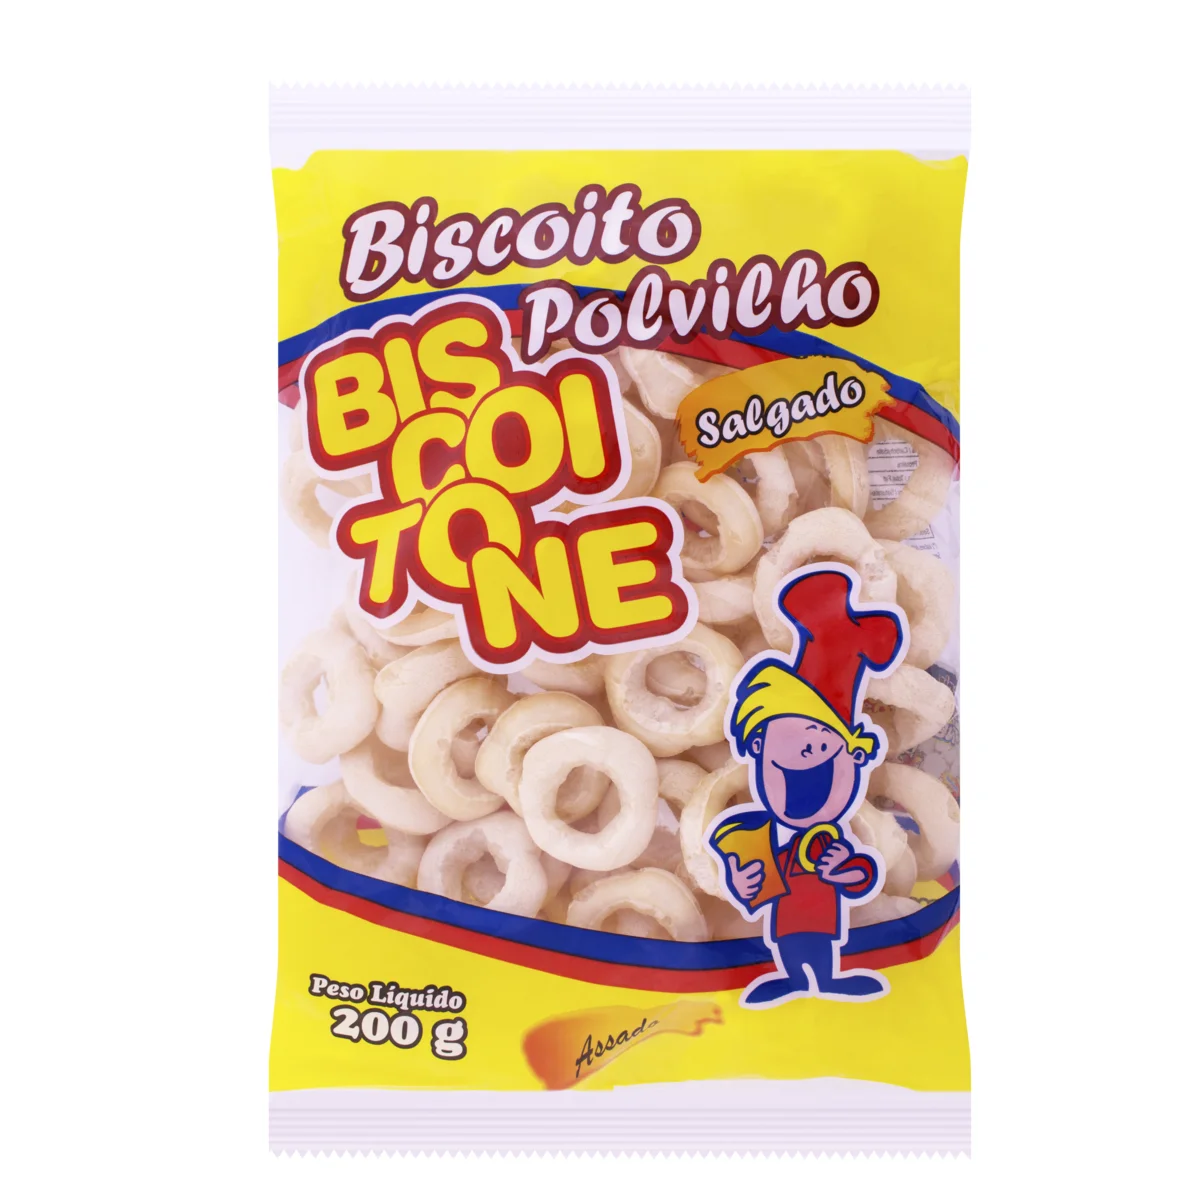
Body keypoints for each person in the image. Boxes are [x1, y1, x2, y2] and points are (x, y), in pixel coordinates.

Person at [709, 566, 905, 1006]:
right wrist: (742, 878)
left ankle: (827, 979)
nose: (806, 768)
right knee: (791, 948)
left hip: (822, 914)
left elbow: (861, 876)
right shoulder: (771, 839)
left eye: (824, 755)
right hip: (786, 918)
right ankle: (793, 979)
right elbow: (756, 886)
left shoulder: (833, 840)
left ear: (855, 757)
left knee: (817, 948)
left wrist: (842, 870)